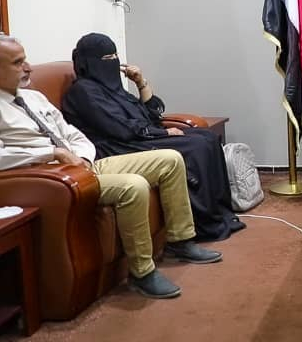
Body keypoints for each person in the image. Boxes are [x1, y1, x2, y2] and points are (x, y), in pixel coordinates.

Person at [0, 35, 223, 300]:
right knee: (133, 185)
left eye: (26, 60)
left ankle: (181, 241)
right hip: (52, 176)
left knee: (170, 159)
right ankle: (142, 273)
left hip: (83, 163)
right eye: (18, 62)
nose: (28, 67)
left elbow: (72, 133)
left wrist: (83, 158)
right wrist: (52, 153)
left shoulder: (34, 97)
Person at [61, 33, 245, 242]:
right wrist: (164, 133)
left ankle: (222, 213)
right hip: (116, 146)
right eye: (107, 58)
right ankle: (204, 224)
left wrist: (141, 82)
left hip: (138, 137)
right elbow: (118, 127)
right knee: (196, 146)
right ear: (89, 62)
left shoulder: (113, 89)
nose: (114, 62)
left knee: (208, 138)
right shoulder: (83, 91)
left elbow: (151, 115)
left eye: (116, 56)